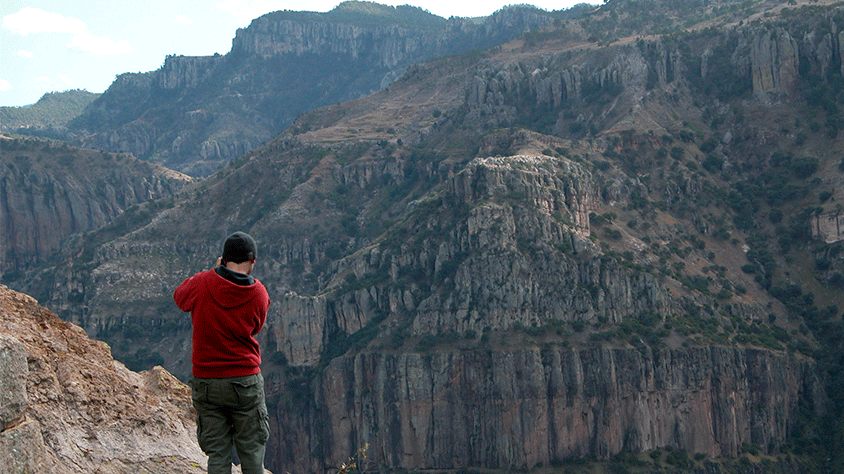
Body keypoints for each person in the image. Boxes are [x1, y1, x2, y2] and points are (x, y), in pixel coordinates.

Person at [174, 231, 271, 474]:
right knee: (252, 453)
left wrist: (211, 272)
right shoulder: (259, 293)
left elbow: (180, 297)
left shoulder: (202, 283)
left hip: (207, 381)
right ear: (252, 262)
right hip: (244, 382)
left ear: (223, 260)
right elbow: (256, 326)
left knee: (217, 453)